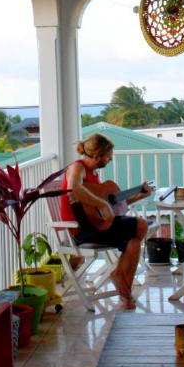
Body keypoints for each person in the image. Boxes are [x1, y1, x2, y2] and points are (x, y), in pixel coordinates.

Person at [60, 133, 151, 310]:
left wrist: (139, 196)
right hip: (83, 231)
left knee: (133, 242)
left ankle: (123, 285)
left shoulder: (94, 176)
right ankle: (120, 280)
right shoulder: (77, 168)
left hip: (100, 226)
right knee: (140, 225)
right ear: (97, 155)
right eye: (108, 155)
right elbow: (74, 187)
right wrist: (101, 203)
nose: (110, 159)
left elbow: (113, 207)